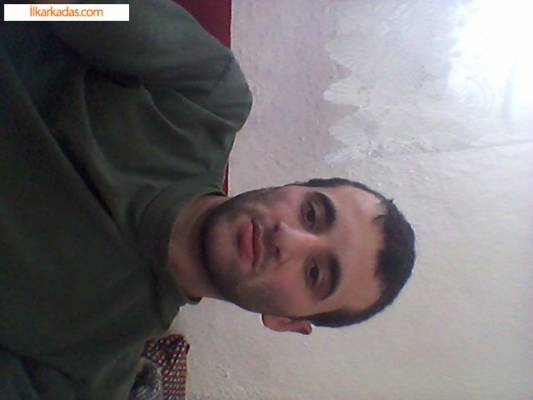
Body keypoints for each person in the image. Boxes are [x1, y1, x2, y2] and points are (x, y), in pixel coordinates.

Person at [0, 0, 415, 398]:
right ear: (295, 185)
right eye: (311, 213)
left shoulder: (84, 376)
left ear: (286, 321)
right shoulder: (208, 97)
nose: (287, 238)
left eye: (314, 273)